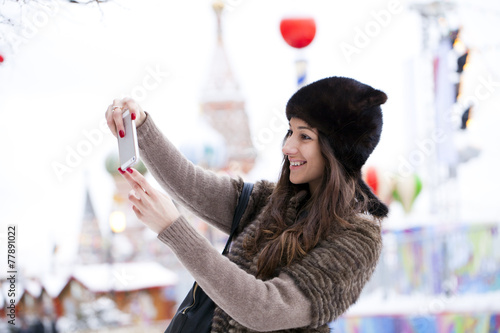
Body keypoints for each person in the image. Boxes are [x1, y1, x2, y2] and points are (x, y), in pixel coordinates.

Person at [105, 76, 389, 332]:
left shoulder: (357, 239)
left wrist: (174, 230)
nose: (288, 146)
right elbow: (189, 183)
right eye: (290, 132)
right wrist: (141, 126)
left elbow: (267, 309)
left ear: (338, 149)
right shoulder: (268, 201)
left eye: (304, 136)